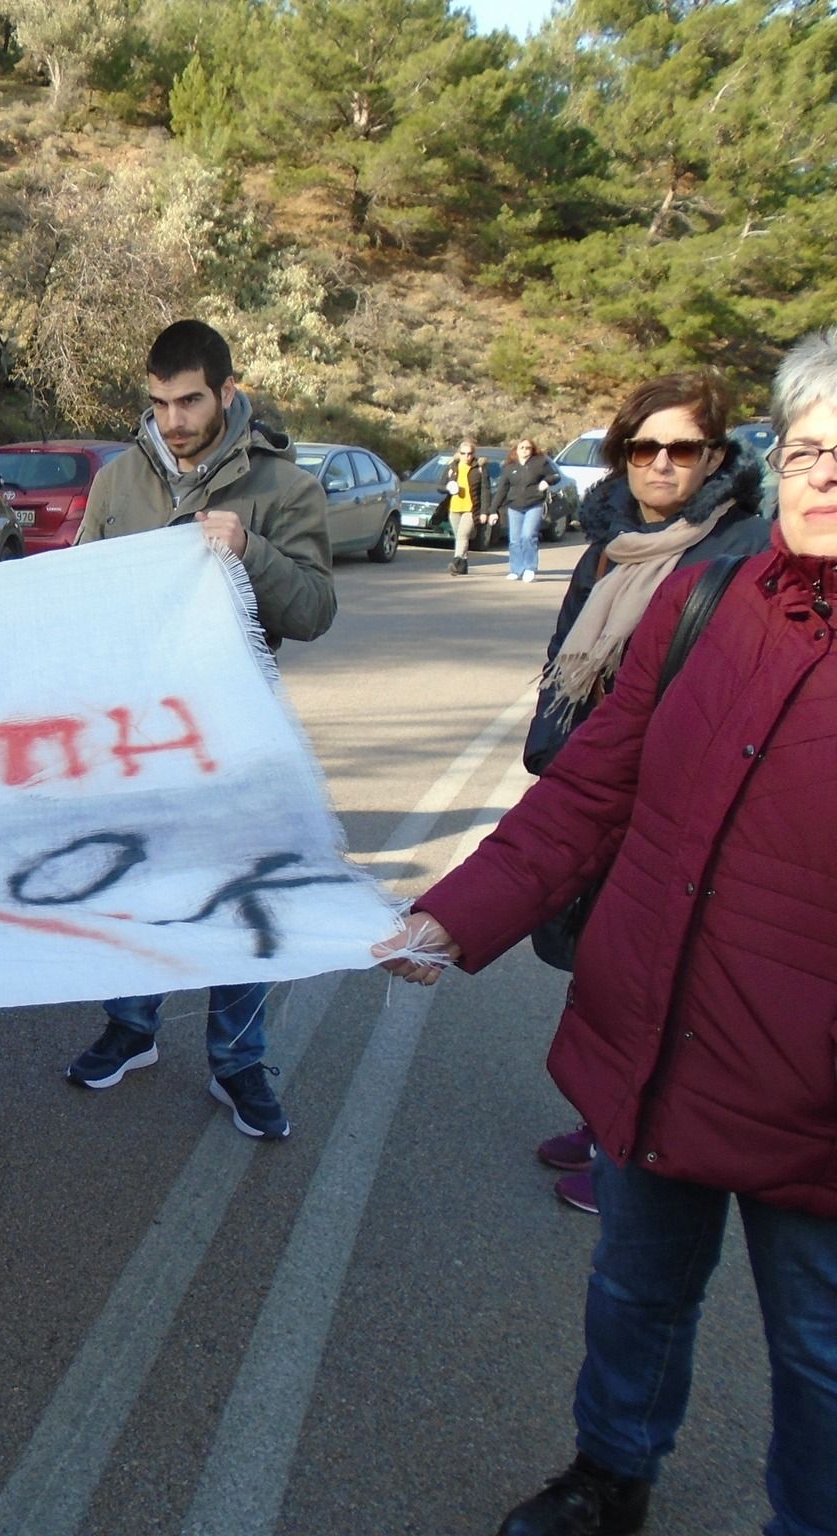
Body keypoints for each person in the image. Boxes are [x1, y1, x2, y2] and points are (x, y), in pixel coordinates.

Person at [374, 332, 837, 1536]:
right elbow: (589, 789)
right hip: (654, 1034)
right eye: (806, 449)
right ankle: (607, 1477)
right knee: (635, 1291)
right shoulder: (702, 600)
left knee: (820, 1357)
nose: (823, 477)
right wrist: (453, 914)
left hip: (811, 1090)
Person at [64, 319, 336, 1138]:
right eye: (159, 403)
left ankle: (239, 1061)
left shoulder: (285, 489)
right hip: (136, 732)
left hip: (233, 731)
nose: (173, 420)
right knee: (139, 880)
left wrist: (250, 548)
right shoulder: (119, 481)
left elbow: (314, 612)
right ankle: (131, 1026)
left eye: (189, 401)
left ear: (227, 391)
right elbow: (78, 592)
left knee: (239, 898)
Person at [519, 373, 769, 1218]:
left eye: (682, 449)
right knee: (599, 964)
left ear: (716, 459)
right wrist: (553, 749)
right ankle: (603, 1119)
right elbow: (566, 646)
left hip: (675, 795)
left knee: (652, 976)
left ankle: (626, 1152)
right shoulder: (609, 543)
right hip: (596, 775)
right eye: (643, 447)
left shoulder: (740, 550)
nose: (661, 464)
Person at [494, 436, 558, 583]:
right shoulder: (509, 466)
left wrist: (546, 481)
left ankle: (530, 568)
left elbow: (555, 476)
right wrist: (492, 510)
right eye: (521, 448)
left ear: (532, 449)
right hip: (514, 506)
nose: (524, 451)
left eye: (528, 448)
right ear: (516, 450)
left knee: (528, 536)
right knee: (515, 540)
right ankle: (516, 570)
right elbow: (502, 490)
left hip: (534, 504)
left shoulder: (540, 462)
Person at [445, 435, 490, 575]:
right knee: (459, 537)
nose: (466, 456)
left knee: (462, 535)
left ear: (474, 454)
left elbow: (485, 491)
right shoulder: (452, 467)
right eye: (463, 453)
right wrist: (450, 486)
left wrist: (484, 512)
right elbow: (440, 486)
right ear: (459, 453)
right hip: (454, 508)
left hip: (471, 509)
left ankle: (456, 562)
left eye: (469, 453)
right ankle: (463, 566)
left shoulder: (479, 468)